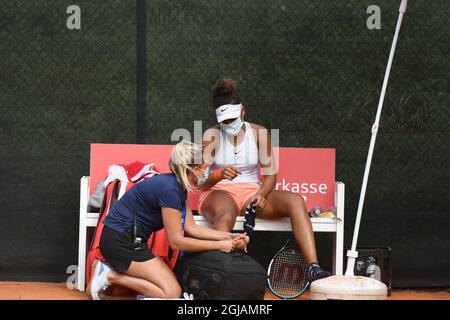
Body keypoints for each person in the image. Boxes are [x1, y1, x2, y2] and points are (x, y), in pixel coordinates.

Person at [198, 78, 331, 282]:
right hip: (218, 192)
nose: (229, 124)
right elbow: (200, 182)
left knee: (296, 200)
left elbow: (270, 176)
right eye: (225, 121)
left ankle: (314, 268)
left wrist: (261, 194)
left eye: (233, 119)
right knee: (225, 215)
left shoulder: (259, 133)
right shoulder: (211, 136)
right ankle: (217, 274)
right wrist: (218, 175)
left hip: (251, 191)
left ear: (243, 112)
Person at [87, 140, 249, 300]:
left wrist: (230, 237)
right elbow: (177, 242)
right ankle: (110, 276)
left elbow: (192, 228)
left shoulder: (178, 187)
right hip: (120, 242)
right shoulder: (170, 190)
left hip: (127, 240)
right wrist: (220, 245)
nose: (207, 172)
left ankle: (112, 275)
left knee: (169, 289)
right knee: (171, 293)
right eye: (205, 168)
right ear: (195, 170)